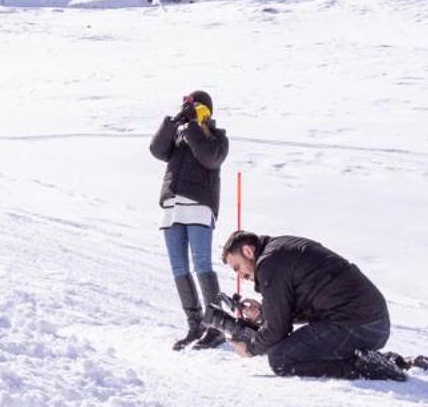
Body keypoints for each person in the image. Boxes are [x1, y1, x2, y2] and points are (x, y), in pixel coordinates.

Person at [212, 230, 408, 381]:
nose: (241, 276)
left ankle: (366, 367)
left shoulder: (269, 264)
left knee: (281, 358)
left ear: (248, 251)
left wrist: (250, 349)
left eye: (238, 267)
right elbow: (306, 301)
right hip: (373, 323)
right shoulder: (280, 249)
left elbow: (277, 330)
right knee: (295, 346)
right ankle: (388, 361)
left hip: (356, 324)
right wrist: (265, 311)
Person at [149, 90, 229, 349]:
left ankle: (217, 326)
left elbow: (209, 157)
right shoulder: (178, 135)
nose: (190, 110)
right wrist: (172, 123)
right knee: (179, 268)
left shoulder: (217, 138)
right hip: (172, 206)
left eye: (194, 106)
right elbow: (157, 150)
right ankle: (195, 325)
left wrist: (194, 126)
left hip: (199, 205)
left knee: (202, 264)